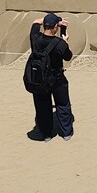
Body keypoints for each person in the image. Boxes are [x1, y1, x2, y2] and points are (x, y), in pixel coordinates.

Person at [23, 13, 74, 141]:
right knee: (62, 105)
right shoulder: (60, 44)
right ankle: (66, 133)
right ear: (55, 27)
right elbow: (68, 56)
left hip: (39, 79)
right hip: (57, 79)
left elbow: (36, 21)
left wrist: (49, 20)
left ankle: (46, 134)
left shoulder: (35, 38)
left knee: (42, 107)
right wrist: (65, 41)